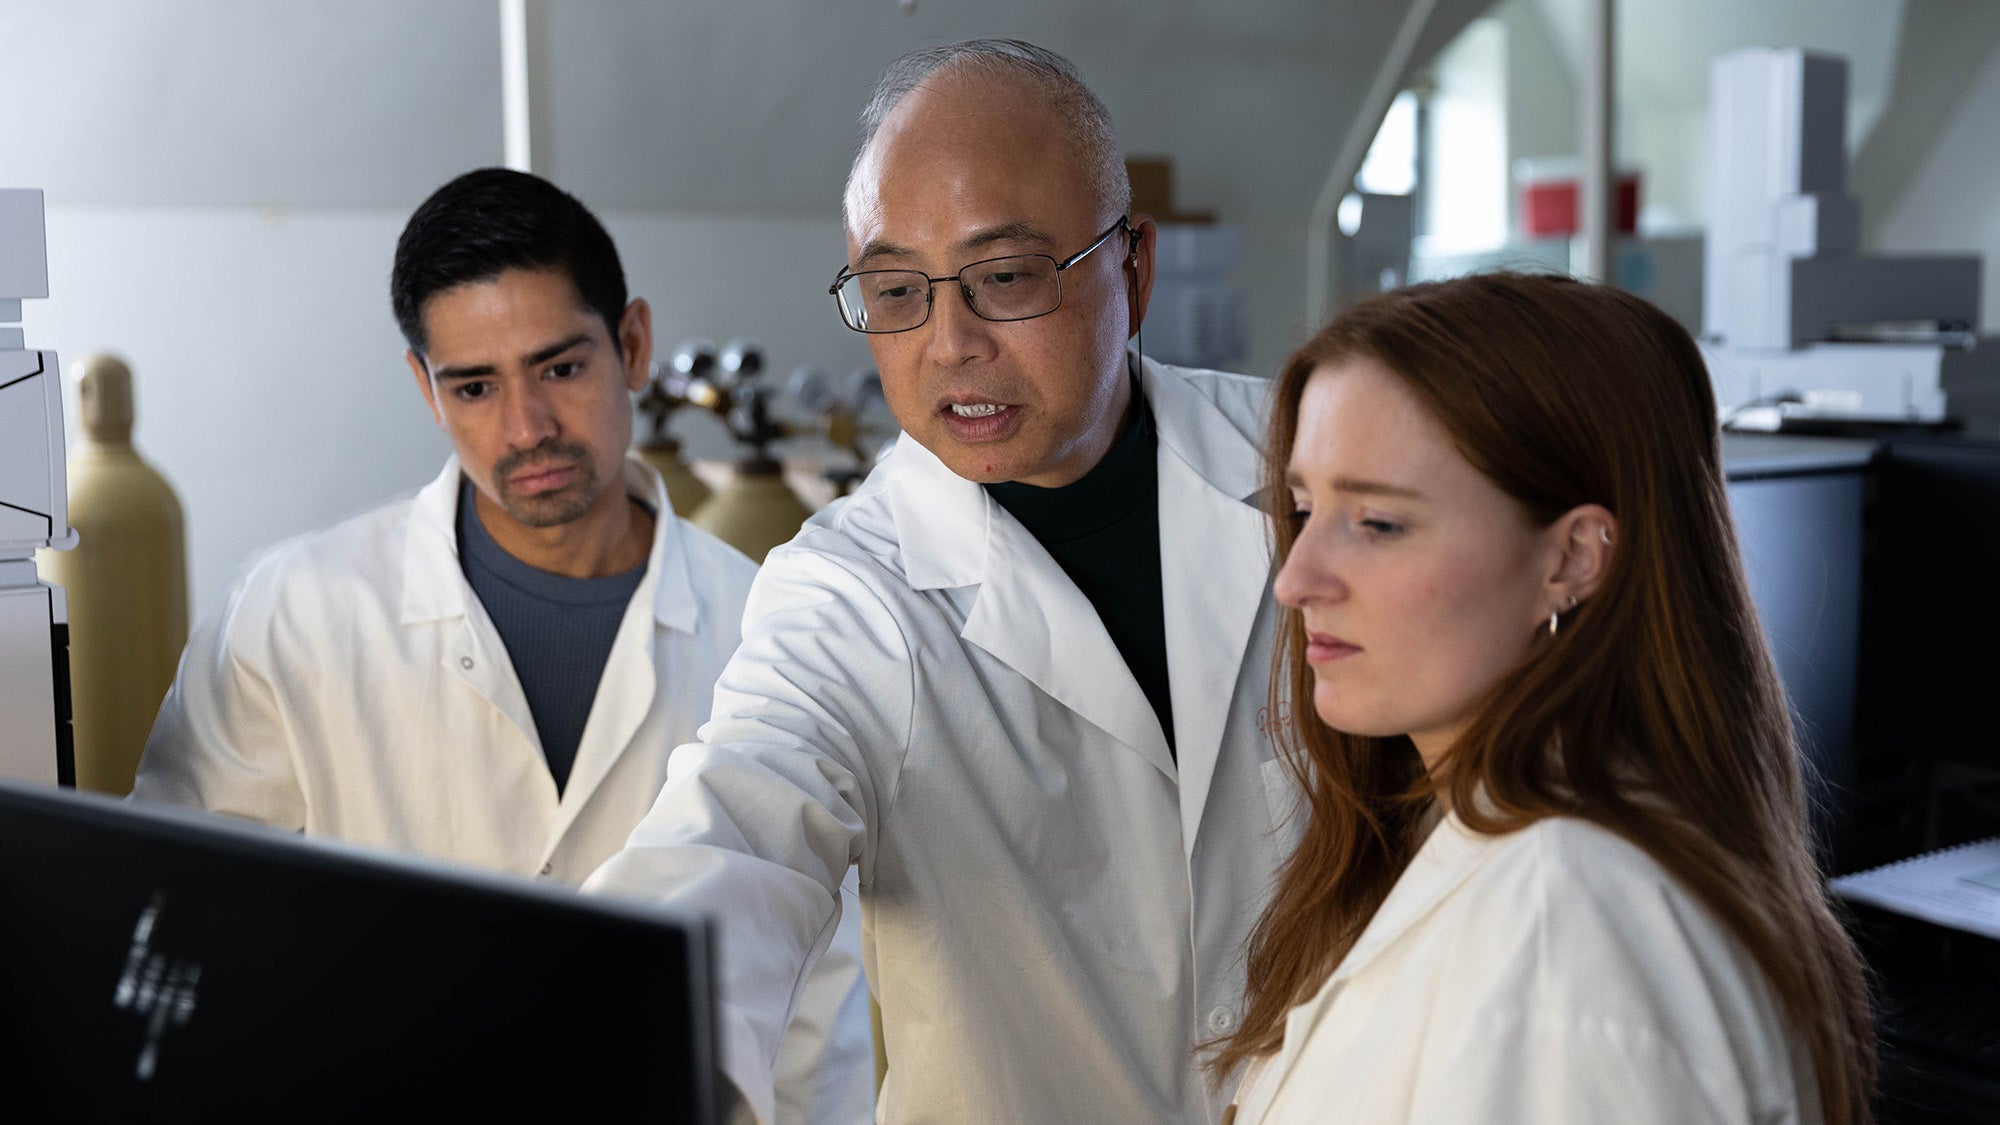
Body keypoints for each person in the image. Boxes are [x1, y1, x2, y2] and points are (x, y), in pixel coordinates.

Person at [587, 40, 1292, 1124]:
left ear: (1132, 268)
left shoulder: (1305, 471)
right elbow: (736, 824)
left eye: (1004, 277)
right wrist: (611, 1040)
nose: (948, 344)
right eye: (895, 290)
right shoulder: (849, 592)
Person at [131, 168, 875, 1124]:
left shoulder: (764, 632)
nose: (526, 428)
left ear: (633, 344)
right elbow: (180, 926)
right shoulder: (293, 616)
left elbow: (818, 1010)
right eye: (475, 387)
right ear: (426, 390)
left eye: (560, 368)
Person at [1217, 272, 1876, 1124]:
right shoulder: (1463, 848)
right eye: (1304, 508)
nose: (1297, 578)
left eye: (1378, 523)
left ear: (1571, 559)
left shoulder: (1570, 925)